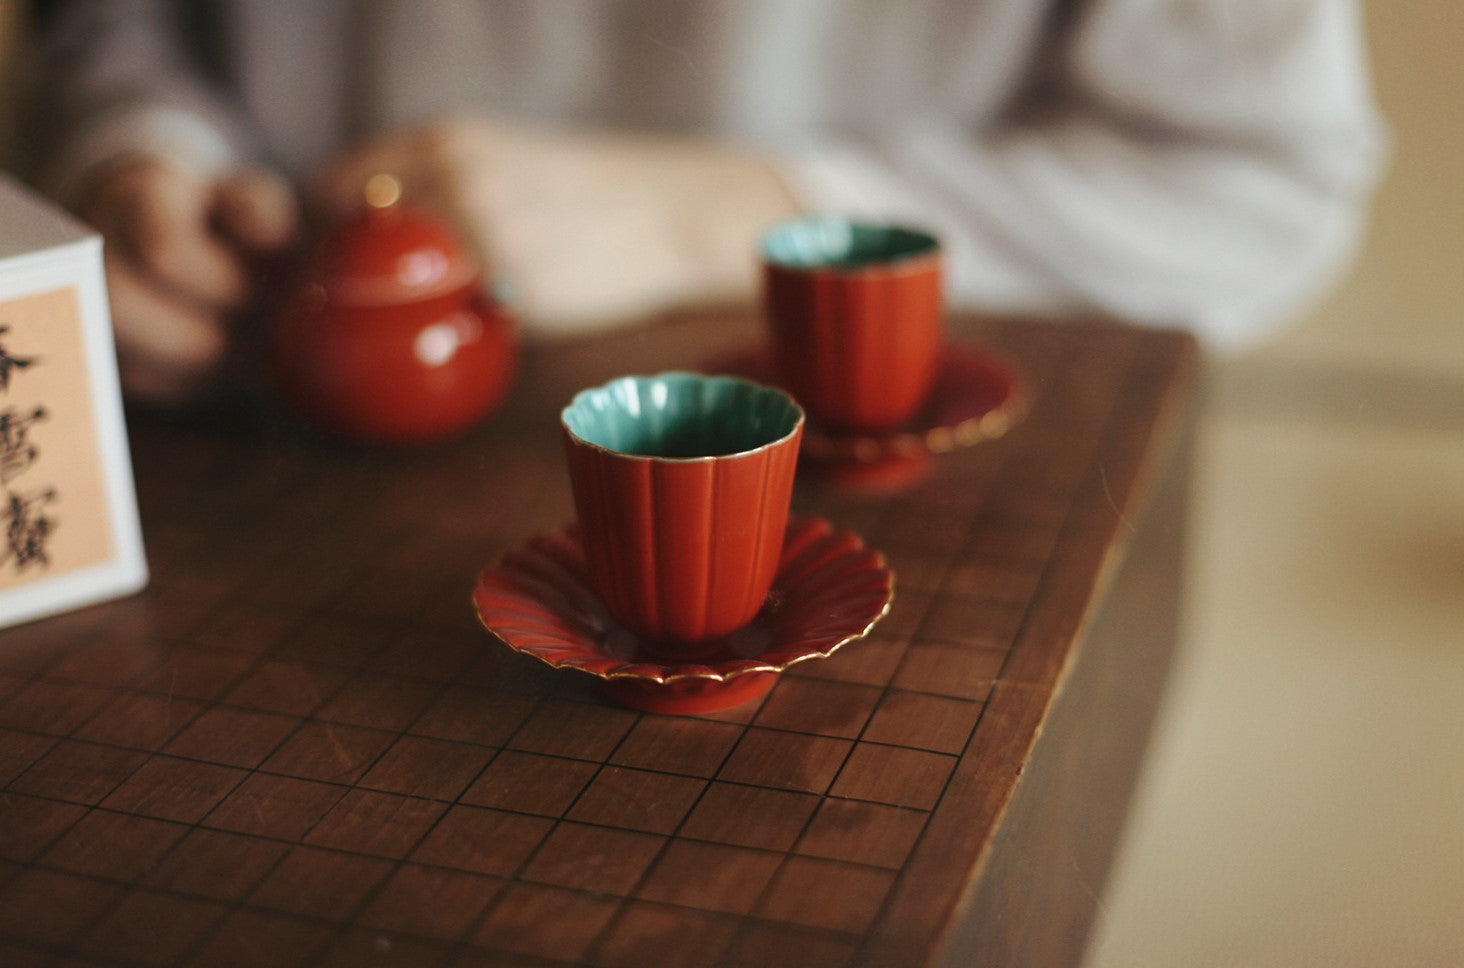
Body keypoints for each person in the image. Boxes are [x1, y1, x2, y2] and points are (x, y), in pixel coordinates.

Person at [13, 0, 1386, 407]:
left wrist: (728, 213)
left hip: (868, 472)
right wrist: (137, 148)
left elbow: (1259, 190)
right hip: (244, 408)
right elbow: (112, 23)